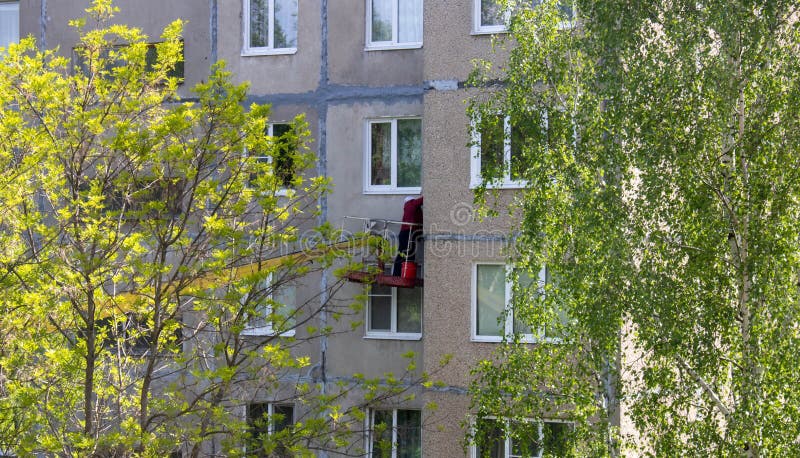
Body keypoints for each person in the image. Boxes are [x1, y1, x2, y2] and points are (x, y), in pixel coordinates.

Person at [393, 196, 423, 276]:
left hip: (404, 233)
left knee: (402, 253)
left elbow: (417, 219)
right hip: (408, 233)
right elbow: (422, 199)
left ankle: (397, 273)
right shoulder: (411, 204)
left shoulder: (407, 208)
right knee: (410, 252)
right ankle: (407, 274)